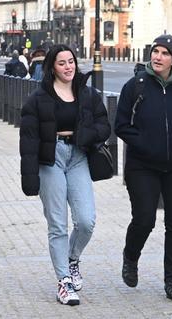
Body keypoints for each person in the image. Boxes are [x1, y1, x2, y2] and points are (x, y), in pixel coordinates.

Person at [114, 35, 172, 302]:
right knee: (145, 219)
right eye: (155, 51)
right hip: (143, 165)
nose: (158, 57)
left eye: (165, 53)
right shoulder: (135, 86)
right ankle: (131, 256)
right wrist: (144, 145)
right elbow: (121, 125)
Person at [19, 44, 111, 306]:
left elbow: (104, 125)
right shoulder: (37, 99)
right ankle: (64, 281)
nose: (68, 67)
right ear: (52, 67)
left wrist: (87, 135)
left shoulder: (88, 94)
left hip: (78, 157)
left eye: (71, 61)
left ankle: (72, 258)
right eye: (62, 63)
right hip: (51, 160)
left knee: (86, 220)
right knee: (58, 224)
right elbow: (27, 140)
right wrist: (29, 178)